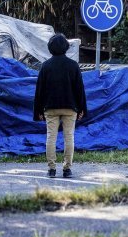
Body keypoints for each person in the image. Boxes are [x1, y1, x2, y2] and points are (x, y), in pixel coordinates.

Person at [33, 33, 88, 178]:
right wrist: (82, 108)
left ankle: (51, 169)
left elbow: (39, 90)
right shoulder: (73, 66)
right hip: (70, 107)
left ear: (50, 48)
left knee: (51, 137)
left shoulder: (45, 66)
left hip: (50, 107)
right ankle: (67, 169)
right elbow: (79, 89)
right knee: (69, 136)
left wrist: (38, 109)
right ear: (66, 47)